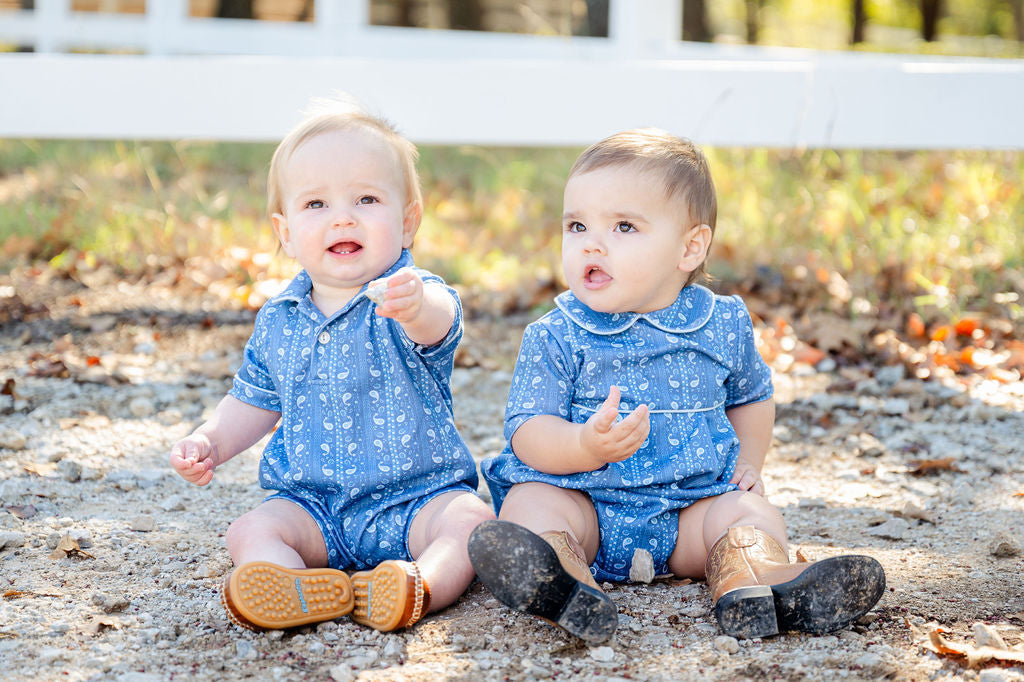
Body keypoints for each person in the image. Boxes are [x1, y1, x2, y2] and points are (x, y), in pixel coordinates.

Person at [468, 129, 885, 643]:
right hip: (584, 506)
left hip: (690, 512)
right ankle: (560, 581)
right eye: (577, 225)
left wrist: (749, 461)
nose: (591, 243)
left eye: (623, 226)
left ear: (690, 247)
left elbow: (752, 396)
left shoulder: (721, 323)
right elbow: (526, 429)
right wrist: (582, 445)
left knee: (746, 512)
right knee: (531, 502)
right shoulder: (556, 334)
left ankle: (755, 582)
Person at [169, 100, 494, 633]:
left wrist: (415, 307)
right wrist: (211, 441)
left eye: (367, 198)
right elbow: (253, 401)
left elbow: (439, 323)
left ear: (407, 221)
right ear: (286, 232)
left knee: (472, 522)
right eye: (316, 203)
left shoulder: (410, 295)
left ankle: (418, 584)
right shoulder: (279, 320)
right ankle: (292, 585)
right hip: (313, 508)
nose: (343, 216)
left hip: (417, 501)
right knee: (250, 528)